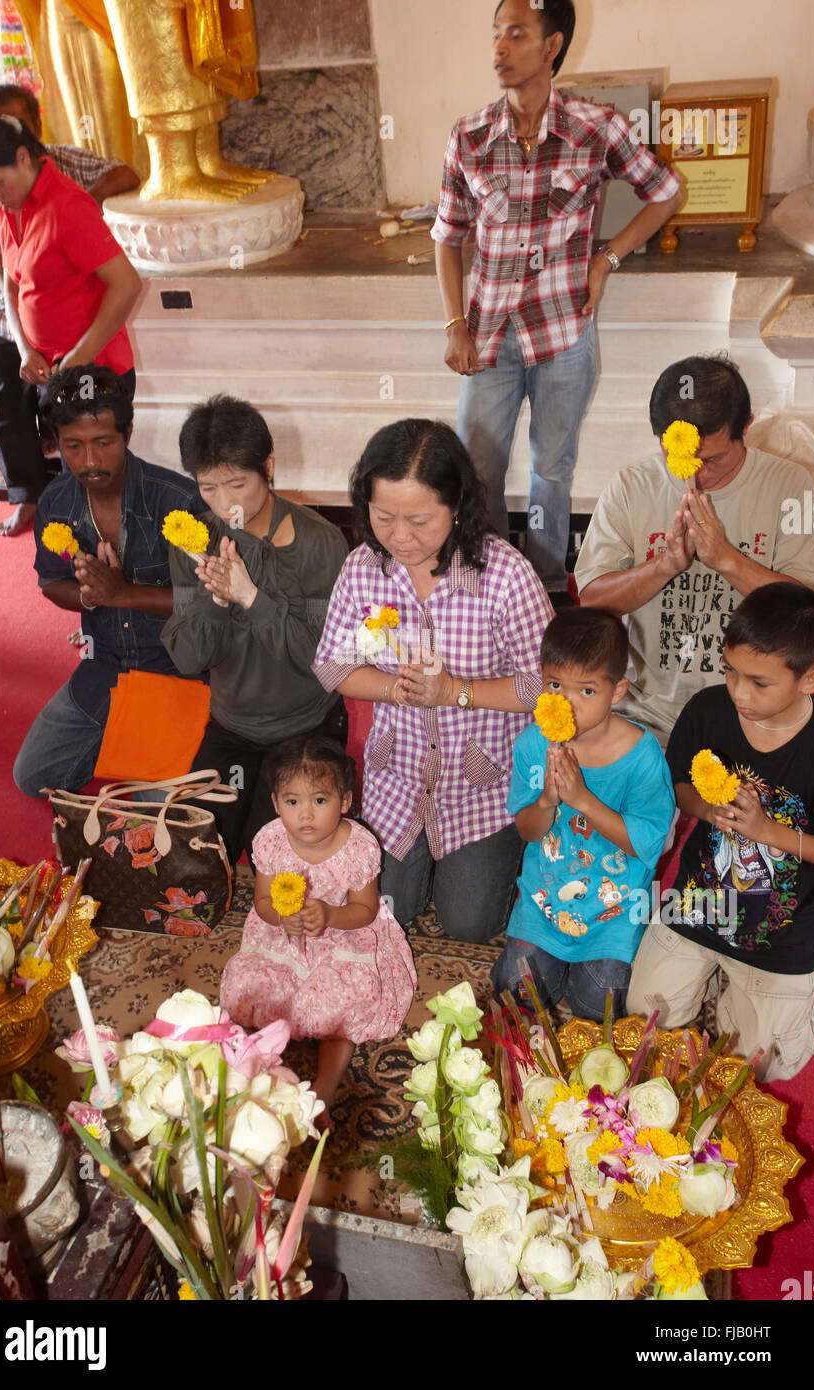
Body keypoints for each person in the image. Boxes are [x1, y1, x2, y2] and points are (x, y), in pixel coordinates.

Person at [432, 0, 683, 598]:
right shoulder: (468, 137)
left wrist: (609, 257)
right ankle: (488, 585)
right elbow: (447, 237)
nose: (499, 47)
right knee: (479, 471)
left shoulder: (595, 127)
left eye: (515, 34)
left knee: (552, 471)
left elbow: (666, 193)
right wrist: (453, 324)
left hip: (564, 337)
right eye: (495, 34)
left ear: (551, 47)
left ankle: (543, 588)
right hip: (488, 338)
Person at [313, 418, 553, 944]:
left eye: (420, 519)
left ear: (458, 505)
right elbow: (333, 666)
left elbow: (545, 691)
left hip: (479, 784)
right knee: (385, 914)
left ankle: (490, 861)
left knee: (470, 924)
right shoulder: (362, 568)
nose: (400, 536)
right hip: (395, 779)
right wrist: (391, 688)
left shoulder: (505, 576)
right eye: (384, 516)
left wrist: (454, 692)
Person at [628, 584, 814, 1083]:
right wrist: (709, 810)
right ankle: (712, 981)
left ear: (811, 678)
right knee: (644, 1024)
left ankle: (730, 991)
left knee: (764, 1067)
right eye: (730, 670)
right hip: (698, 903)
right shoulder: (709, 710)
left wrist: (766, 831)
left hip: (783, 932)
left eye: (759, 682)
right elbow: (679, 788)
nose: (738, 691)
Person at [575, 355, 814, 744]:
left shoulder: (790, 485)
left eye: (713, 459)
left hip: (756, 715)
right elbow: (591, 600)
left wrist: (726, 560)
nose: (695, 474)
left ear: (747, 426)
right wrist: (664, 565)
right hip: (647, 715)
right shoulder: (630, 485)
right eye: (681, 458)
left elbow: (808, 609)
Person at [161, 396, 349, 865]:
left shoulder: (320, 541)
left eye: (237, 484)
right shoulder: (193, 541)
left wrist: (253, 599)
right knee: (200, 853)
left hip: (306, 723)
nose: (225, 503)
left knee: (289, 857)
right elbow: (187, 658)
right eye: (208, 488)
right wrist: (217, 598)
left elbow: (323, 663)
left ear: (267, 467)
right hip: (234, 726)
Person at [13, 365, 204, 798]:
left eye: (104, 443)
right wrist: (88, 595)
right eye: (73, 446)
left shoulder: (176, 499)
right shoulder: (57, 502)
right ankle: (127, 738)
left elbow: (209, 601)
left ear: (128, 434)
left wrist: (124, 594)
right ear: (56, 444)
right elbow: (50, 582)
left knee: (151, 807)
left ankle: (179, 738)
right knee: (32, 777)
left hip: (177, 667)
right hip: (105, 665)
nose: (90, 461)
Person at [0, 84, 140, 537]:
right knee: (73, 457)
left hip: (93, 367)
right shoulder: (9, 203)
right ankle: (85, 539)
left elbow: (126, 285)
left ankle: (124, 551)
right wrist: (25, 348)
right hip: (52, 363)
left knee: (98, 459)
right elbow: (8, 277)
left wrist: (81, 355)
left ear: (24, 157)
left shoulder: (66, 205)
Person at [491, 607, 675, 1023]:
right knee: (513, 987)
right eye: (555, 685)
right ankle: (555, 972)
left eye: (587, 691)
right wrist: (546, 801)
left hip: (613, 913)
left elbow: (646, 842)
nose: (568, 704)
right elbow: (528, 831)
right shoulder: (534, 744)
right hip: (545, 906)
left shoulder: (642, 756)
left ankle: (587, 976)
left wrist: (582, 800)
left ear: (619, 689)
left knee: (600, 1003)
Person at [220, 734, 416, 1111]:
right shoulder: (271, 841)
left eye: (320, 801)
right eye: (292, 802)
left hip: (345, 931)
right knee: (248, 991)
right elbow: (262, 902)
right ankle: (250, 1074)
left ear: (345, 801)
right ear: (276, 802)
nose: (305, 815)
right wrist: (281, 917)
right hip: (281, 934)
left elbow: (365, 910)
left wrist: (329, 915)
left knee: (342, 1001)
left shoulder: (358, 845)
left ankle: (322, 1091)